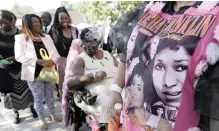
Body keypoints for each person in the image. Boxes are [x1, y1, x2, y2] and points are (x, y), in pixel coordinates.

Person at [107, 1, 219, 131]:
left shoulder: (215, 17)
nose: (168, 81)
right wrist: (116, 89)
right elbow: (129, 50)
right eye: (159, 67)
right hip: (133, 123)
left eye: (179, 67)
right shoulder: (152, 9)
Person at [14, 14, 62, 130]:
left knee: (50, 95)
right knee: (38, 98)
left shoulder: (46, 37)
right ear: (27, 24)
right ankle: (41, 119)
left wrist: (52, 60)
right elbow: (19, 56)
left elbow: (55, 52)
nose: (38, 24)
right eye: (34, 22)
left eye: (38, 22)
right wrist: (38, 61)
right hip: (34, 73)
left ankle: (52, 115)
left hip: (49, 71)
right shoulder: (21, 38)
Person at [67, 27, 118, 129]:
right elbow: (70, 82)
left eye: (92, 45)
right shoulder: (80, 59)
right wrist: (91, 77)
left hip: (115, 90)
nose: (89, 48)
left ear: (98, 42)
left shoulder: (108, 54)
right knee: (108, 105)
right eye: (85, 45)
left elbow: (120, 70)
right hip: (95, 96)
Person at [0, 10, 37, 124]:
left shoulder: (21, 33)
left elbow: (29, 50)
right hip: (7, 69)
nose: (2, 25)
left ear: (12, 21)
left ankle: (32, 108)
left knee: (28, 90)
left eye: (5, 22)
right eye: (0, 23)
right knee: (12, 93)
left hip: (23, 66)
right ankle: (15, 113)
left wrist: (16, 58)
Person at [49, 7, 78, 96]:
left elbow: (78, 45)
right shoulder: (54, 30)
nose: (64, 20)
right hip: (60, 62)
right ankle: (65, 105)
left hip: (74, 61)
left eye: (66, 18)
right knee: (63, 87)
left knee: (75, 84)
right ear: (58, 19)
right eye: (61, 18)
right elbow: (50, 46)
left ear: (69, 18)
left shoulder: (74, 30)